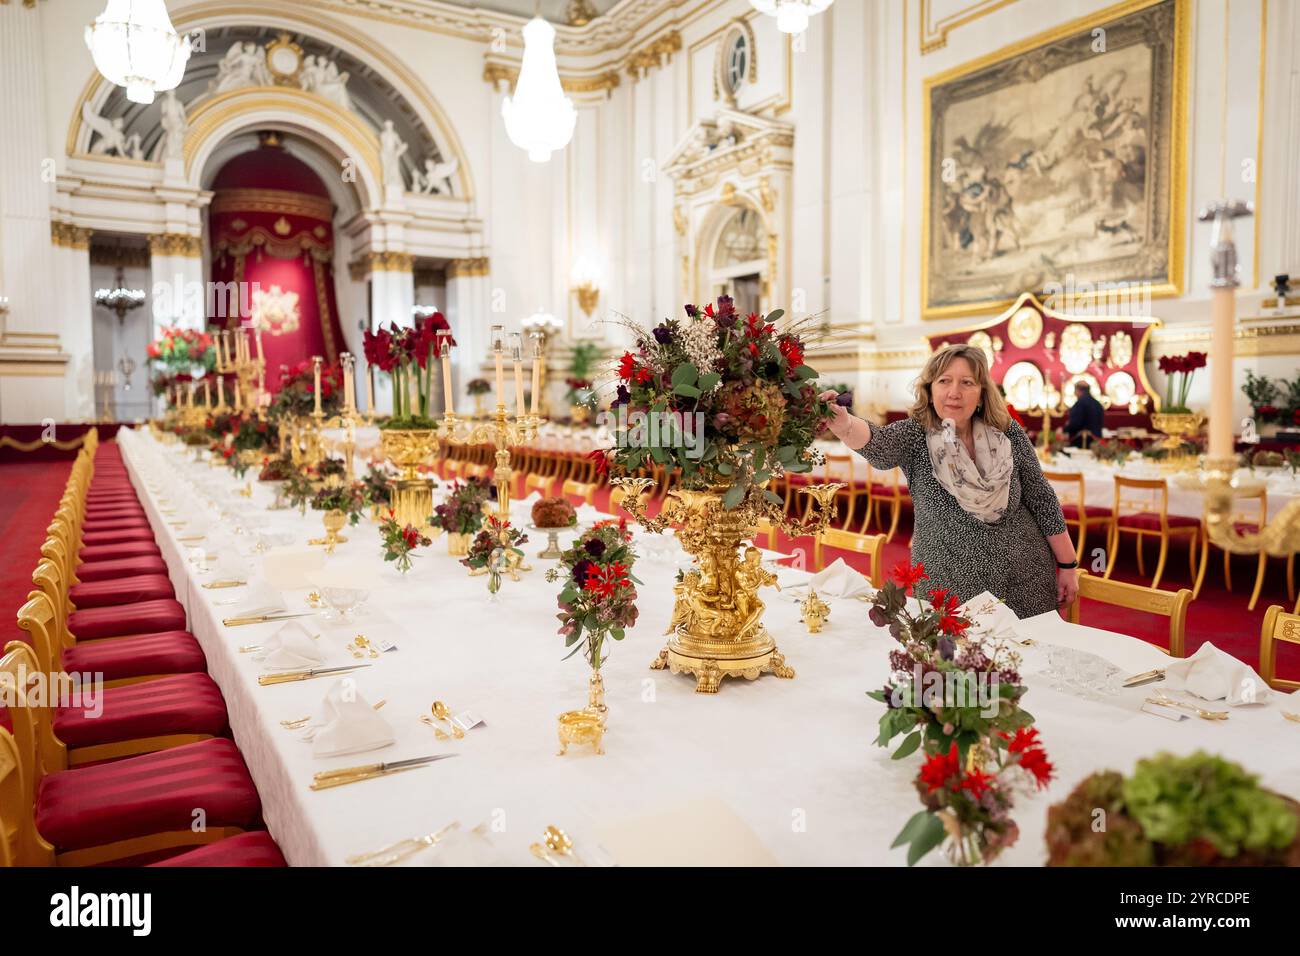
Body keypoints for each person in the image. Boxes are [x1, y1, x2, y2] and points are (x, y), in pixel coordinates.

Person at [820, 343, 1079, 617]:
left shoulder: (1006, 431)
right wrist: (845, 425)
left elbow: (1041, 498)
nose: (954, 392)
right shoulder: (917, 435)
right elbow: (879, 445)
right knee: (951, 646)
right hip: (949, 586)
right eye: (944, 381)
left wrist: (1068, 565)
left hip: (1026, 582)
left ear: (982, 393)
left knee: (1030, 645)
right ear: (930, 390)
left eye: (967, 382)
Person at [1065, 382, 1105, 448]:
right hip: (1096, 442)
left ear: (1078, 390)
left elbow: (1076, 423)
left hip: (1081, 442)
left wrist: (1066, 428)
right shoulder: (1097, 404)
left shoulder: (1079, 404)